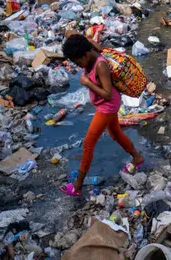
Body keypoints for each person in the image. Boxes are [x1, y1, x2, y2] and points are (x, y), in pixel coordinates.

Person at [60, 34, 144, 196]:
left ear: (85, 55)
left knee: (88, 143)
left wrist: (88, 83)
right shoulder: (90, 50)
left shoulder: (100, 66)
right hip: (105, 105)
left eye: (78, 62)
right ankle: (137, 158)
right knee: (115, 133)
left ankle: (77, 185)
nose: (78, 66)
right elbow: (87, 40)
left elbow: (107, 94)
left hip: (107, 106)